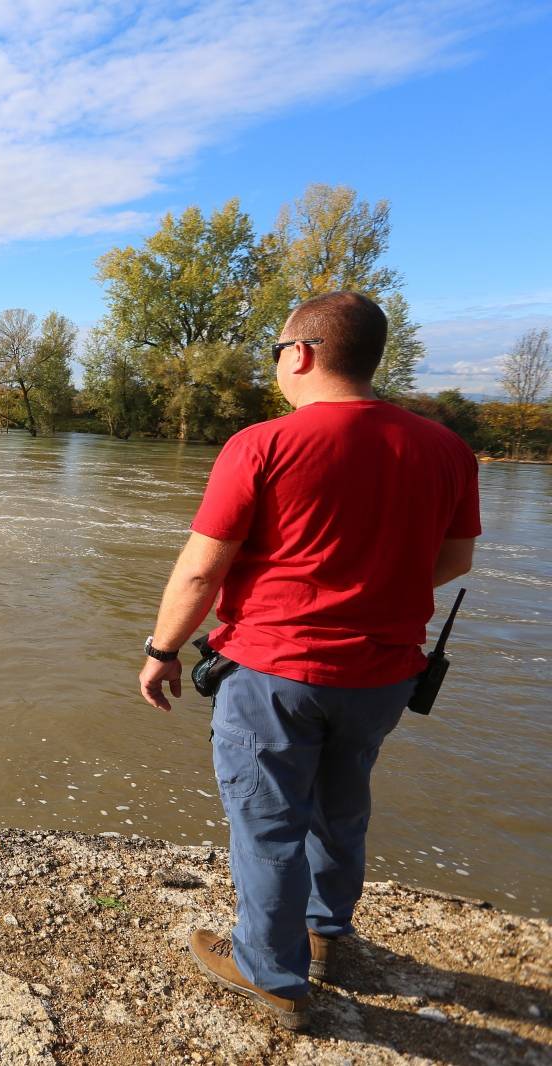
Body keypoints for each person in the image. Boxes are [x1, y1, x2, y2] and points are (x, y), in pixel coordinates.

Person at [136, 290, 480, 1030]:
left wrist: (162, 650)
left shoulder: (261, 444)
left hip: (274, 671)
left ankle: (271, 973)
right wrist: (370, 586)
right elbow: (453, 558)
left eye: (277, 353)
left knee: (267, 821)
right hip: (386, 673)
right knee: (342, 802)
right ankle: (325, 933)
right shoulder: (446, 448)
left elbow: (202, 570)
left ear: (302, 353)